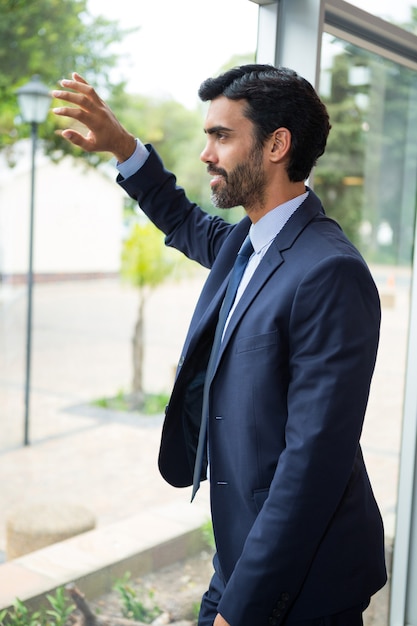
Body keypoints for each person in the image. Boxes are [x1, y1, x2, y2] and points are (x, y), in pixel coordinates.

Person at [52, 64, 387, 626]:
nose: (207, 153)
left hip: (303, 587)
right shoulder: (244, 244)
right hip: (238, 557)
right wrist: (122, 147)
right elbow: (182, 220)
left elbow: (312, 470)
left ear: (278, 144)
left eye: (222, 136)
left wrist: (242, 610)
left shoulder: (330, 273)